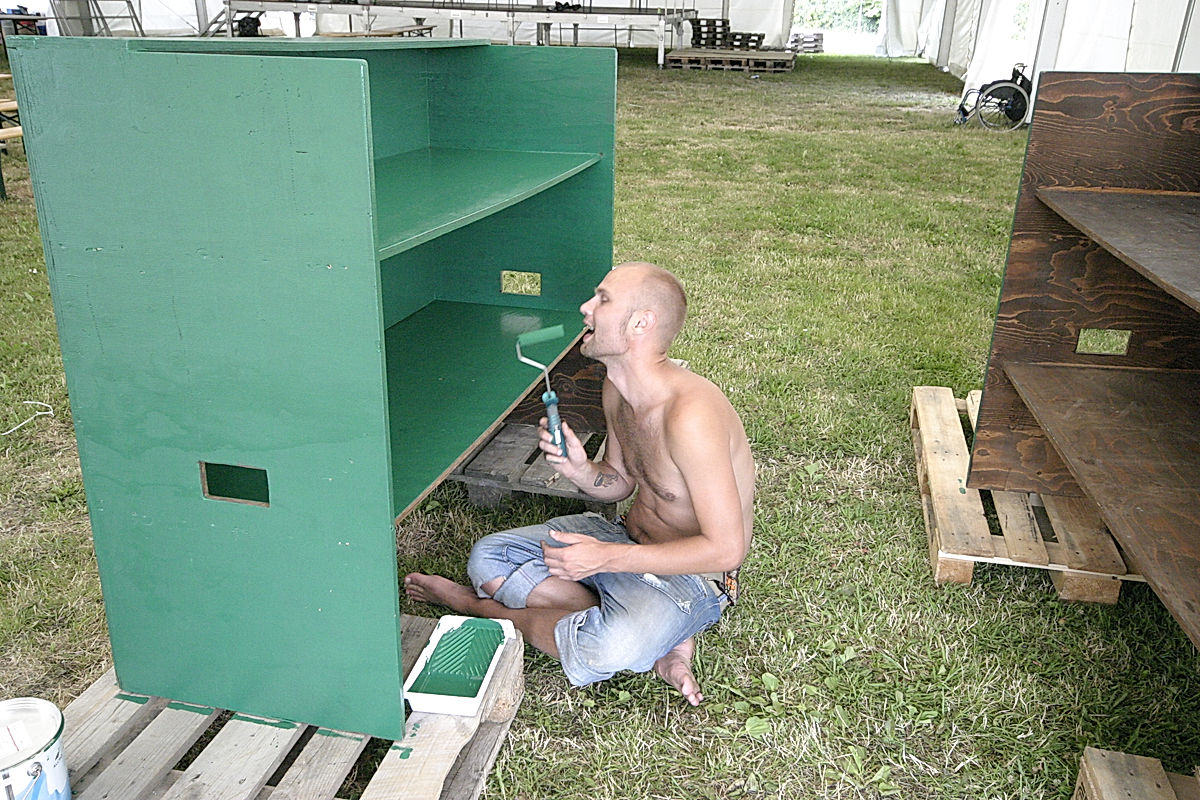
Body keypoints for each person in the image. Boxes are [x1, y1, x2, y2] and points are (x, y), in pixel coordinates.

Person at [405, 262, 754, 705]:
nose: (586, 308)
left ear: (640, 323)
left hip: (690, 577)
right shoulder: (618, 387)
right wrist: (581, 471)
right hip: (623, 540)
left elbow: (728, 549)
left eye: (603, 299)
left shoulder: (690, 416)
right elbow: (622, 482)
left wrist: (605, 557)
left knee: (608, 648)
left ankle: (477, 608)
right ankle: (658, 637)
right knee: (488, 558)